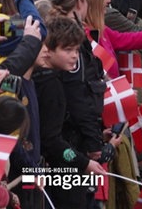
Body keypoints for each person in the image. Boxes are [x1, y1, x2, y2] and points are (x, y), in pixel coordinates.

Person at [33, 16, 107, 209]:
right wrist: (83, 163)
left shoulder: (43, 77)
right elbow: (51, 139)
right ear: (47, 50)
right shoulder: (51, 85)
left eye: (76, 49)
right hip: (59, 170)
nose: (75, 55)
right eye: (67, 50)